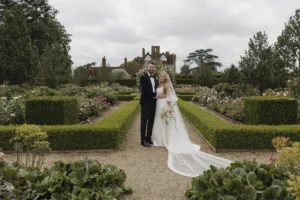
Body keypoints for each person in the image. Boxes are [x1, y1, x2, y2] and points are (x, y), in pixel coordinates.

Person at [152, 71, 232, 177]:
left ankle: (166, 140)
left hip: (164, 105)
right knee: (159, 122)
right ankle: (160, 139)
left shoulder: (166, 85)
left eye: (163, 76)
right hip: (159, 105)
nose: (161, 77)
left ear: (166, 78)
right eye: (160, 76)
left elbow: (168, 96)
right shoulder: (159, 84)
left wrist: (165, 104)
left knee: (167, 124)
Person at [139, 62, 158, 147]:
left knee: (151, 121)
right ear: (147, 68)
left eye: (153, 67)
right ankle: (142, 140)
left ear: (154, 69)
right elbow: (145, 91)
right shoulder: (143, 78)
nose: (152, 69)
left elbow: (157, 89)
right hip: (145, 103)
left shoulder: (155, 78)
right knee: (144, 122)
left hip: (153, 103)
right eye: (150, 67)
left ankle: (148, 138)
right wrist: (156, 95)